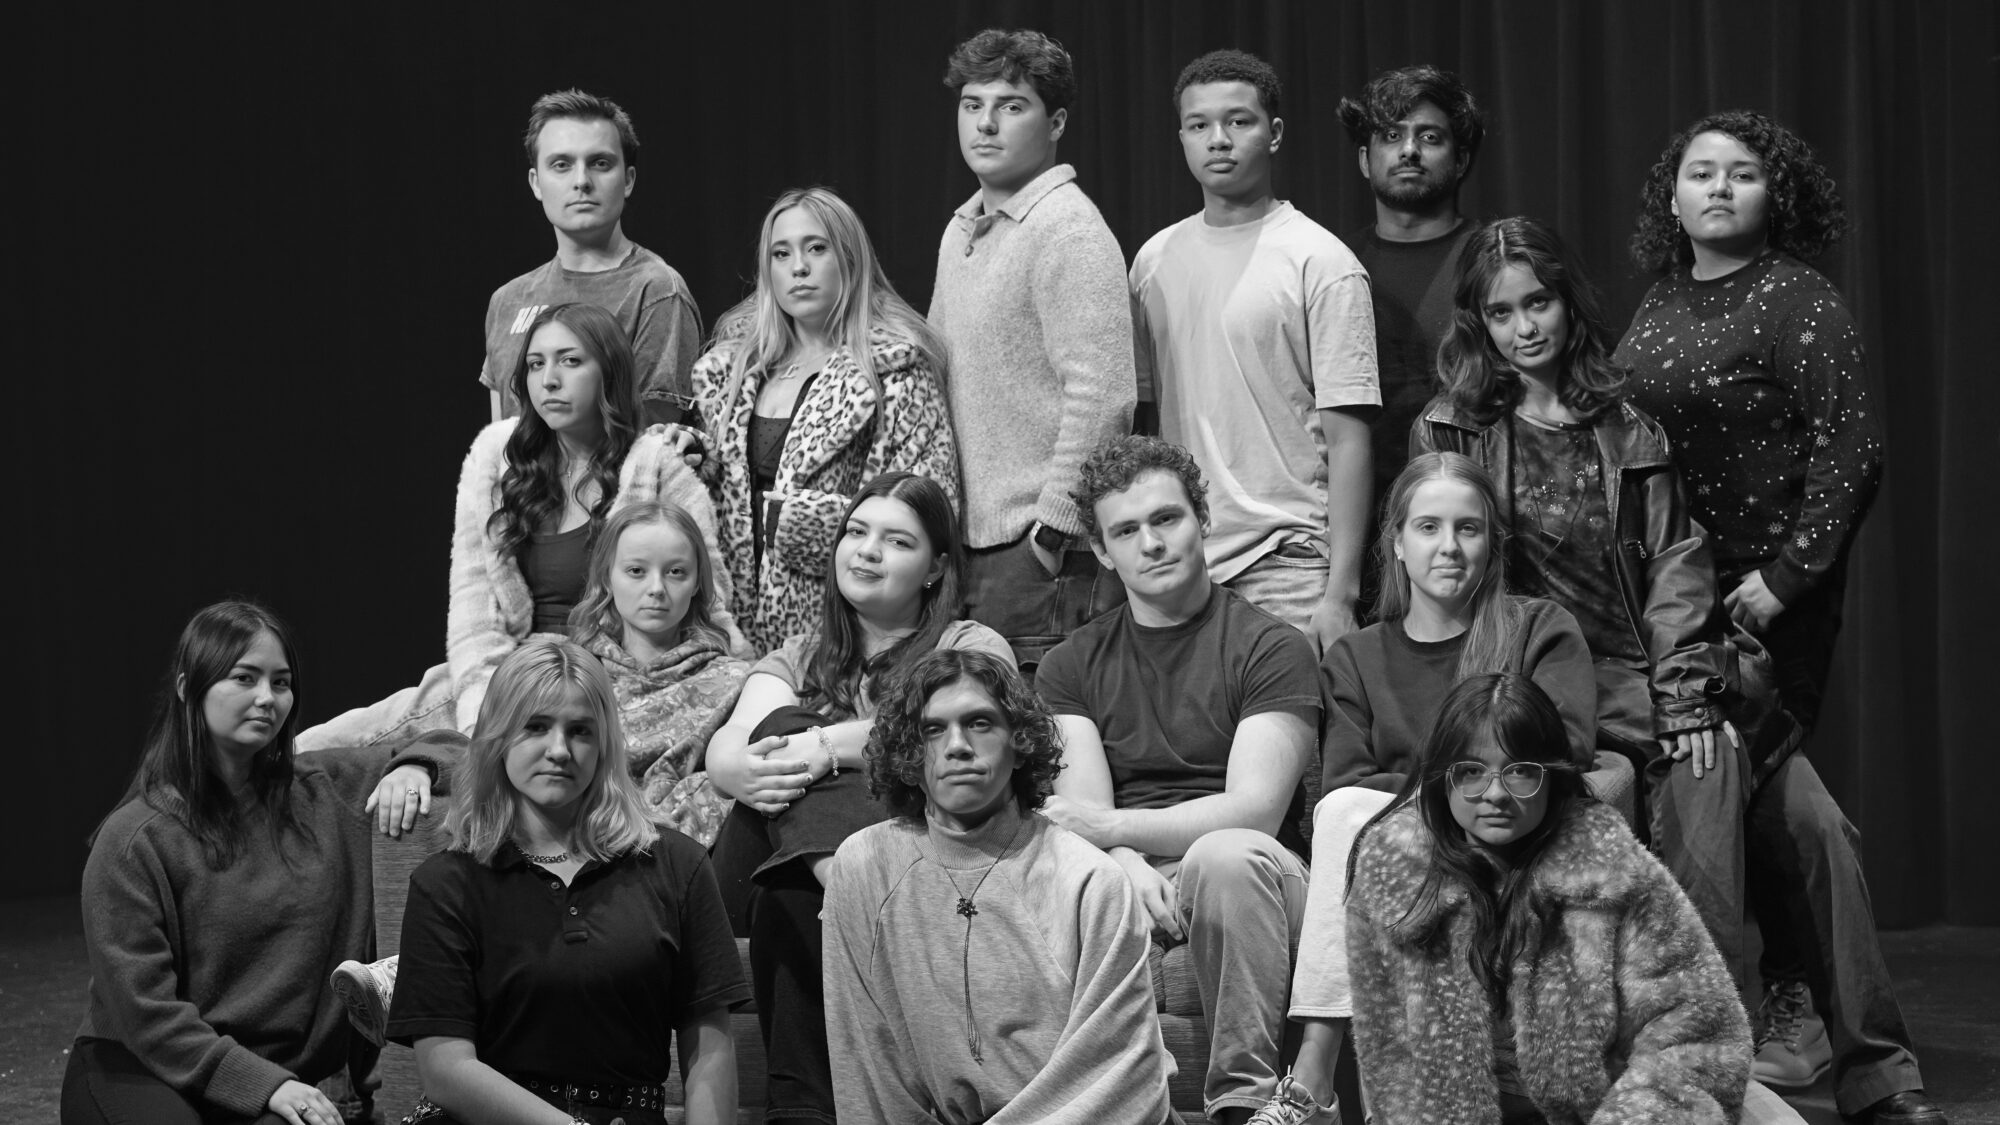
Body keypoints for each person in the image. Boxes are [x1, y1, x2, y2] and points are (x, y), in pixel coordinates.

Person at [1420, 217, 1942, 1125]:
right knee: (1707, 772)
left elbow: (1675, 569)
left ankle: (1881, 1077)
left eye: (1538, 302)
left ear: (1567, 304)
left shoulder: (1630, 427)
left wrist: (1687, 693)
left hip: (1656, 669)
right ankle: (1711, 1061)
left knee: (1817, 826)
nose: (1524, 328)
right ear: (1478, 322)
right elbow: (1450, 574)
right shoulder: (1453, 428)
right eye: (1501, 312)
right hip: (1543, 681)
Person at [1619, 113, 1931, 1125]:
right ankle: (1752, 1022)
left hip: (1763, 600)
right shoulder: (1661, 301)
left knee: (1753, 789)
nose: (1718, 188)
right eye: (1699, 173)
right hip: (1671, 594)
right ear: (1671, 197)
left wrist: (1786, 579)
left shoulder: (1797, 299)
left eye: (1741, 173)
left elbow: (1852, 450)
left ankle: (1772, 1018)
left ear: (1774, 194)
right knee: (1740, 795)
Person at [1249, 453, 1599, 1124]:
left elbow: (1563, 750)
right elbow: (1345, 782)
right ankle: (1328, 1081)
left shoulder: (1538, 628)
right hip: (1398, 856)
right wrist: (1462, 776)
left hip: (1514, 846)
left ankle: (1312, 1080)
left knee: (1354, 813)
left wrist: (1436, 785)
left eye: (1468, 528)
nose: (1449, 547)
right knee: (1345, 810)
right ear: (1397, 544)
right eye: (1429, 527)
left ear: (1491, 543)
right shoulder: (1355, 657)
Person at [62, 601, 457, 1125]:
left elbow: (456, 744)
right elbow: (145, 1013)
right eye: (244, 678)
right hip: (142, 1066)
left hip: (277, 1082)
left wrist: (415, 766)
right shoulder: (135, 839)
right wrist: (262, 1084)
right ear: (188, 688)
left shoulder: (326, 791)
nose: (267, 698)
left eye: (281, 682)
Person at [704, 471, 1014, 1125]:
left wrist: (826, 747)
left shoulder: (968, 646)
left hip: (915, 863)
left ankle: (801, 1115)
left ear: (936, 568)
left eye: (897, 541)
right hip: (790, 873)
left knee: (787, 890)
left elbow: (958, 741)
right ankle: (858, 898)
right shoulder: (799, 656)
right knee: (782, 727)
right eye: (856, 531)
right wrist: (742, 760)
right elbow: (740, 742)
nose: (867, 550)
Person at [298, 302, 738, 752]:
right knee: (316, 747)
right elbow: (473, 610)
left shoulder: (658, 467)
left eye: (570, 361)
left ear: (609, 373)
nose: (549, 380)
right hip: (503, 675)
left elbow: (709, 599)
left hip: (603, 685)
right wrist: (483, 714)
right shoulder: (496, 458)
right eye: (535, 364)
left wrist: (739, 695)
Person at [1033, 436, 1319, 1125]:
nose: (1152, 543)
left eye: (1167, 518)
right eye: (1127, 530)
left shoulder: (1272, 645)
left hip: (1255, 873)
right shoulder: (1070, 664)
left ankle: (1245, 1105)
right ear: (1102, 551)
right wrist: (1122, 861)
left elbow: (1254, 810)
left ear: (1202, 519)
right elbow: (1079, 815)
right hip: (1125, 867)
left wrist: (1114, 833)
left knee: (1223, 856)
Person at [1345, 674, 1751, 1124]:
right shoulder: (1395, 875)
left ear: (1552, 775)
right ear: (1444, 778)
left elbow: (1698, 1032)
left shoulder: (1612, 871)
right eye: (1471, 771)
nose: (1495, 794)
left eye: (1520, 771)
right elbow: (1388, 1051)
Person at [385, 639, 748, 1125]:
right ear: (498, 736)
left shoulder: (678, 865)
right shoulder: (445, 884)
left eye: (579, 731)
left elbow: (709, 1048)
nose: (559, 750)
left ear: (603, 746)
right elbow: (446, 1071)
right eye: (535, 727)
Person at [823, 649, 1175, 1125]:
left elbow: (1122, 1078)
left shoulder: (1089, 879)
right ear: (908, 752)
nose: (957, 746)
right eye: (932, 729)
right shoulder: (866, 865)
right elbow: (868, 1070)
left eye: (980, 723)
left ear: (1019, 741)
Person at [1130, 48, 1378, 652]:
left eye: (1238, 121)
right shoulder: (1153, 261)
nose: (1218, 139)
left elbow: (1349, 439)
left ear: (1275, 133)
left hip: (1288, 559)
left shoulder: (1321, 261)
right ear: (1182, 138)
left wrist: (1340, 595)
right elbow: (1145, 421)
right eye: (1199, 125)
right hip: (1180, 558)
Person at [930, 27, 1134, 675]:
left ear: (1057, 123)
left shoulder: (1068, 229)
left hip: (1041, 553)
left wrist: (1051, 533)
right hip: (970, 547)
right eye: (972, 105)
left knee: (1039, 727)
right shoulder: (961, 229)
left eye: (1011, 106)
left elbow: (1104, 395)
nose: (985, 124)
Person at [691, 186, 959, 653]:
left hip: (846, 633)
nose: (798, 267)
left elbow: (929, 517)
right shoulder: (729, 373)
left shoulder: (894, 370)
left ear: (850, 259)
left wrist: (800, 525)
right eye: (781, 253)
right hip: (729, 636)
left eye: (816, 248)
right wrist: (686, 455)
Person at [482, 89, 703, 428]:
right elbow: (498, 439)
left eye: (600, 163)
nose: (582, 181)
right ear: (536, 183)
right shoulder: (507, 300)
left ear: (628, 180)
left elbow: (649, 444)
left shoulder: (655, 290)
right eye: (561, 165)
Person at [1336, 65, 1486, 532]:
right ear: (1365, 160)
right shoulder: (1334, 267)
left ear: (1461, 160)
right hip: (1359, 522)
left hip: (1477, 517)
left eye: (1429, 137)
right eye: (1391, 135)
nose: (1408, 150)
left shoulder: (1496, 262)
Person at [568, 501, 750, 848]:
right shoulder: (570, 674)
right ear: (607, 577)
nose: (656, 588)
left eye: (676, 572)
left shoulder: (737, 682)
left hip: (695, 862)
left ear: (697, 582)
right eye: (637, 571)